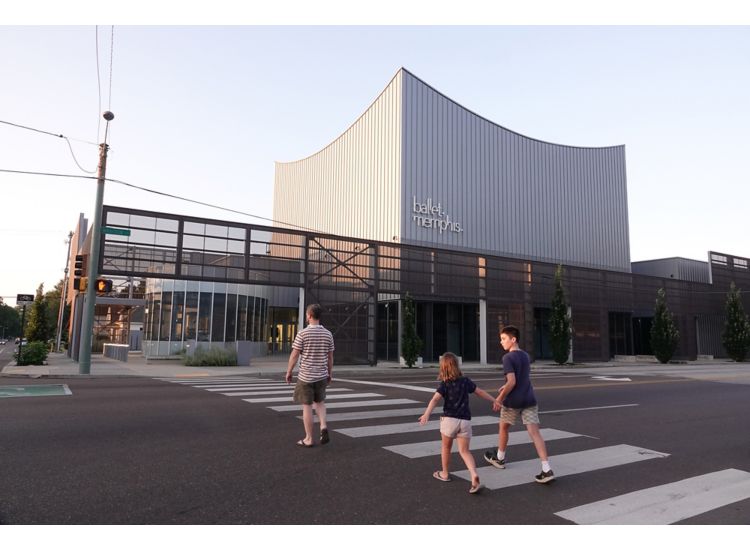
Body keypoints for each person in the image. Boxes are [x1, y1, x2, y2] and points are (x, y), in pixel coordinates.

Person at [483, 325, 554, 483]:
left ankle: (500, 458)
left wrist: (499, 398)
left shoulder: (507, 358)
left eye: (503, 339)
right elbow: (522, 378)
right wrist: (505, 385)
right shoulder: (525, 356)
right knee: (535, 433)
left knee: (503, 428)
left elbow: (512, 381)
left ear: (513, 339)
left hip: (513, 401)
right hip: (529, 399)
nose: (501, 342)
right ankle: (546, 468)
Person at [419, 352, 496, 494]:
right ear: (456, 365)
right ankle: (474, 475)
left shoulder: (445, 384)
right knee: (465, 451)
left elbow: (435, 399)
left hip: (449, 420)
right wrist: (494, 400)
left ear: (443, 368)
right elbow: (480, 392)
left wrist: (426, 414)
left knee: (446, 448)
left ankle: (445, 473)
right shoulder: (465, 381)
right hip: (465, 421)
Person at [285, 303, 335, 448]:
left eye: (307, 314)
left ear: (309, 315)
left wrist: (289, 372)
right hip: (321, 376)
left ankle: (308, 438)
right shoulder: (328, 334)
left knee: (307, 406)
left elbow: (294, 355)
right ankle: (323, 426)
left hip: (306, 377)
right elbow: (330, 357)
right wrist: (329, 373)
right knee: (320, 403)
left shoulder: (303, 333)